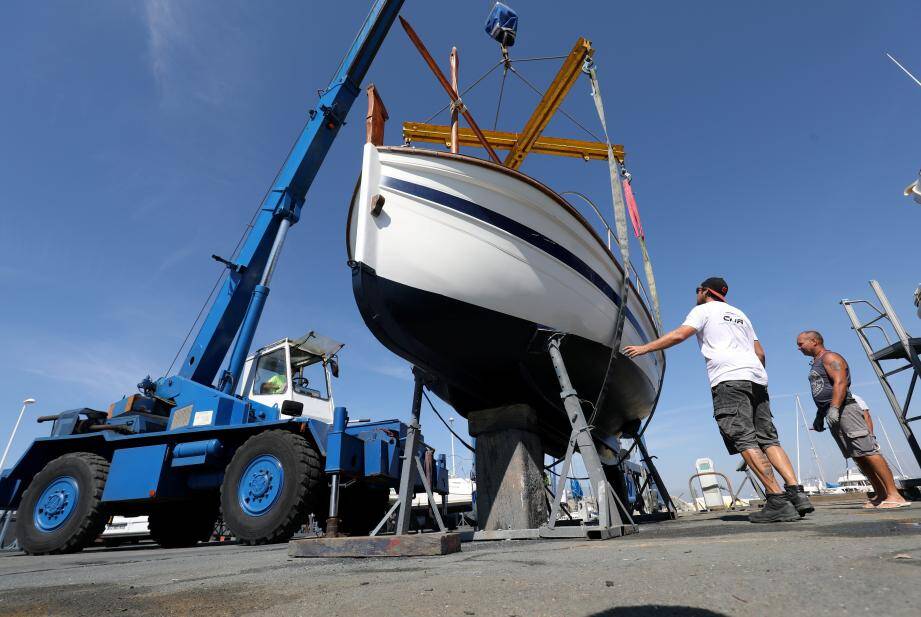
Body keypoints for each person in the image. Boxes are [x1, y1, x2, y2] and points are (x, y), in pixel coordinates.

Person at [625, 277, 813, 522]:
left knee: (743, 438)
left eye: (697, 290)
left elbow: (680, 334)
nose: (696, 294)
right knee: (768, 438)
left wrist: (644, 348)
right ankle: (796, 492)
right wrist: (757, 377)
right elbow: (760, 352)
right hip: (756, 378)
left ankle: (777, 499)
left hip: (729, 379)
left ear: (704, 291)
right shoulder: (740, 314)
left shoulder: (703, 310)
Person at [795, 331, 910, 508]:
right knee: (858, 456)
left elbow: (840, 382)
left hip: (845, 410)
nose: (798, 347)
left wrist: (834, 408)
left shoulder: (830, 357)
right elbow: (822, 392)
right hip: (831, 414)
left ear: (814, 341)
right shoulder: (815, 363)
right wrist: (819, 416)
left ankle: (894, 495)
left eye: (801, 343)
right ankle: (880, 494)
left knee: (868, 451)